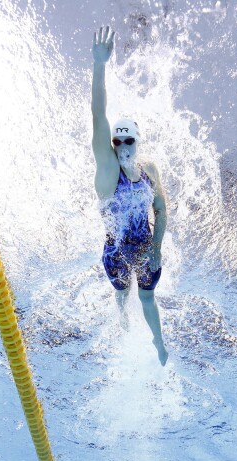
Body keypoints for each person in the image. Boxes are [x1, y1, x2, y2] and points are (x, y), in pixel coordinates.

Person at [91, 25, 169, 366]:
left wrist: (157, 249)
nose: (121, 146)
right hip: (116, 252)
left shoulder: (150, 168)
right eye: (117, 141)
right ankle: (121, 326)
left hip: (145, 248)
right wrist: (99, 65)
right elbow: (98, 116)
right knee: (123, 295)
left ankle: (158, 344)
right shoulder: (108, 172)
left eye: (128, 141)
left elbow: (162, 211)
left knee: (148, 299)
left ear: (138, 142)